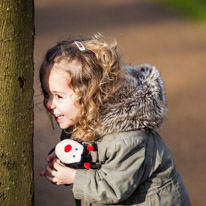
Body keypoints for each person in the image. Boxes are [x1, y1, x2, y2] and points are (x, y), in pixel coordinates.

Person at [40, 35, 191, 206]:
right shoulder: (79, 119)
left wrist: (74, 177)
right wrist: (66, 158)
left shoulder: (127, 138)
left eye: (58, 96)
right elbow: (89, 156)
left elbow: (113, 187)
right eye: (47, 94)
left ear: (90, 96)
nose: (49, 103)